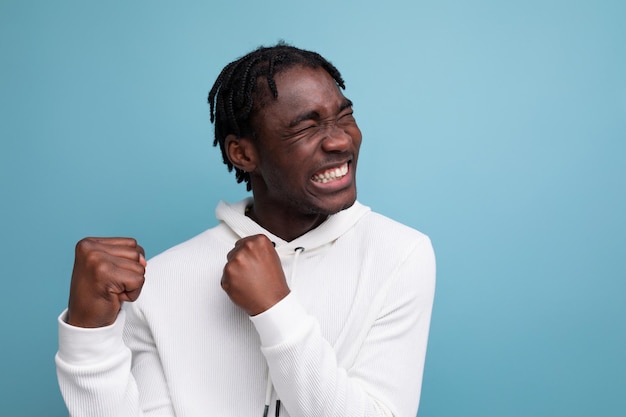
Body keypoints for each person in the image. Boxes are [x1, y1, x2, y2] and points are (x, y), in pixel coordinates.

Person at [55, 42, 436, 417]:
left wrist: (275, 308)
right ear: (242, 153)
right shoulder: (161, 281)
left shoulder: (400, 254)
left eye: (344, 116)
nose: (339, 140)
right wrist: (89, 335)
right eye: (305, 127)